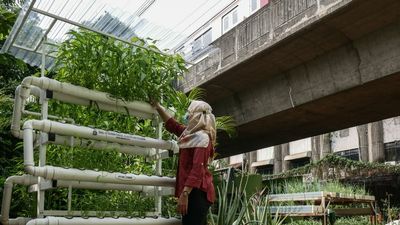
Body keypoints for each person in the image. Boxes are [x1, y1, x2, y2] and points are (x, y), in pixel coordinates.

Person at [153, 100, 216, 225]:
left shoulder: (202, 138)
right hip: (194, 191)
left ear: (197, 116)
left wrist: (185, 194)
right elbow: (174, 126)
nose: (187, 116)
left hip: (196, 193)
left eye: (190, 113)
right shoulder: (190, 135)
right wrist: (158, 107)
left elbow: (197, 169)